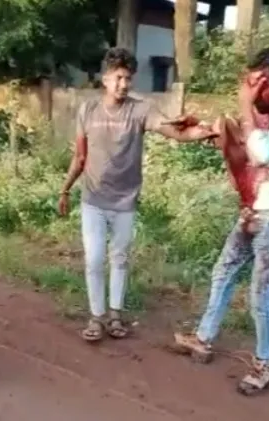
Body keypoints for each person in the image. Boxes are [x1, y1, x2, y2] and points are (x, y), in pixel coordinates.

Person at [174, 48, 269, 396]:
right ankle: (203, 338)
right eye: (249, 86)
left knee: (262, 294)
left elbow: (263, 153)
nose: (254, 95)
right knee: (223, 271)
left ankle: (264, 364)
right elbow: (244, 145)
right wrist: (207, 129)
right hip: (257, 210)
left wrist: (244, 107)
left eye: (259, 87)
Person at [58, 47, 216, 343]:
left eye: (128, 78)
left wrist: (205, 131)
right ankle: (96, 317)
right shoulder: (87, 110)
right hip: (93, 199)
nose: (123, 84)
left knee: (119, 258)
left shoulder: (141, 110)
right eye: (118, 77)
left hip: (125, 201)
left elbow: (175, 131)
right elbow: (79, 157)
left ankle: (115, 315)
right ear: (105, 78)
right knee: (94, 260)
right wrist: (65, 189)